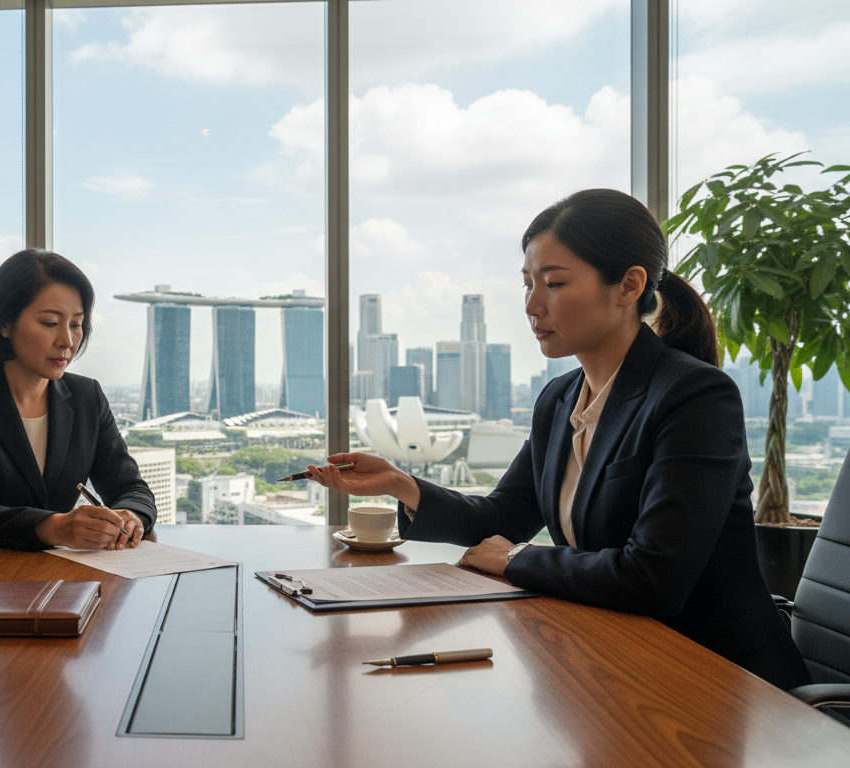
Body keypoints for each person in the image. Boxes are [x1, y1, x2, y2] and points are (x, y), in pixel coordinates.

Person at [307, 189, 810, 691]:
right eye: (528, 284)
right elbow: (506, 515)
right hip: (614, 657)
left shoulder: (694, 395)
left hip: (717, 676)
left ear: (629, 285)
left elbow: (653, 578)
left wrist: (515, 559)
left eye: (554, 283)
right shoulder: (560, 398)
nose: (532, 305)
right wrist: (400, 484)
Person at [0, 249, 157, 551]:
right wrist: (52, 527)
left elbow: (130, 487)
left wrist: (132, 515)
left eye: (76, 324)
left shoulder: (88, 397)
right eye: (50, 323)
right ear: (4, 324)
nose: (68, 341)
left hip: (70, 575)